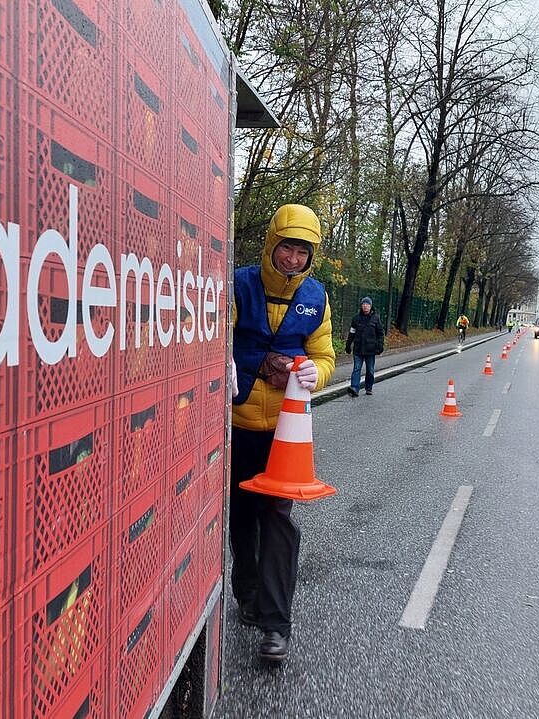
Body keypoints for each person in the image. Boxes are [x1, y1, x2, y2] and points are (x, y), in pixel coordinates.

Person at [229, 204, 335, 663]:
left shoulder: (317, 297)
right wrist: (255, 365)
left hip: (285, 437)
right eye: (287, 248)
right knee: (242, 518)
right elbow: (213, 343)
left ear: (312, 256)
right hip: (235, 426)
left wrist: (316, 374)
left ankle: (276, 626)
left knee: (278, 520)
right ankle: (247, 594)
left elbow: (326, 357)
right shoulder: (237, 284)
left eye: (302, 252)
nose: (293, 258)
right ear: (272, 244)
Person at [345, 297, 384, 396]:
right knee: (356, 368)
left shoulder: (376, 318)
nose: (365, 306)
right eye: (363, 304)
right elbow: (352, 332)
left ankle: (368, 387)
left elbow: (380, 333)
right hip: (358, 349)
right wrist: (348, 344)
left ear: (371, 306)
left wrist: (380, 345)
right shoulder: (356, 318)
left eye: (367, 304)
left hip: (370, 350)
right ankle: (354, 388)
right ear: (361, 306)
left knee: (370, 370)